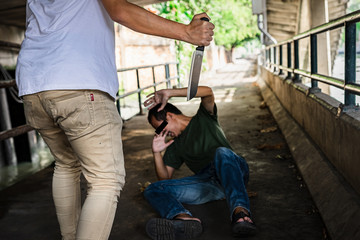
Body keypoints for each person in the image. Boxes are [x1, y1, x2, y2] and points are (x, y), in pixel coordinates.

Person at [15, 1, 214, 240]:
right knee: (105, 182)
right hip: (77, 79)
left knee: (66, 165)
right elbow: (119, 9)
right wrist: (186, 32)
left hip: (32, 85)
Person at [143, 86, 257, 240]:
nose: (162, 133)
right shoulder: (175, 145)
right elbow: (165, 180)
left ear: (169, 116)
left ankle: (241, 214)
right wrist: (156, 153)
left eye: (161, 127)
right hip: (209, 184)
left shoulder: (204, 117)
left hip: (233, 171)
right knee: (153, 189)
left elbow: (207, 92)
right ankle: (183, 219)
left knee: (221, 152)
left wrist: (170, 93)